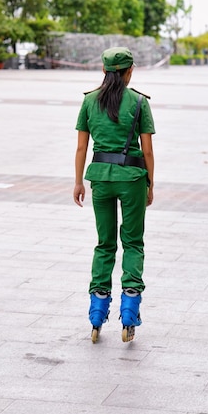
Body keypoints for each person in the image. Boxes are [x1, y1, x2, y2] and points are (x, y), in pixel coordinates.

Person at [73, 47, 154, 343]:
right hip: (132, 178)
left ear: (105, 71)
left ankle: (97, 314)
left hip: (99, 180)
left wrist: (79, 182)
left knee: (104, 244)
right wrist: (150, 184)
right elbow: (147, 150)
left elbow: (82, 147)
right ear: (129, 71)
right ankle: (130, 313)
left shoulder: (90, 101)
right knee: (132, 242)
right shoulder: (139, 103)